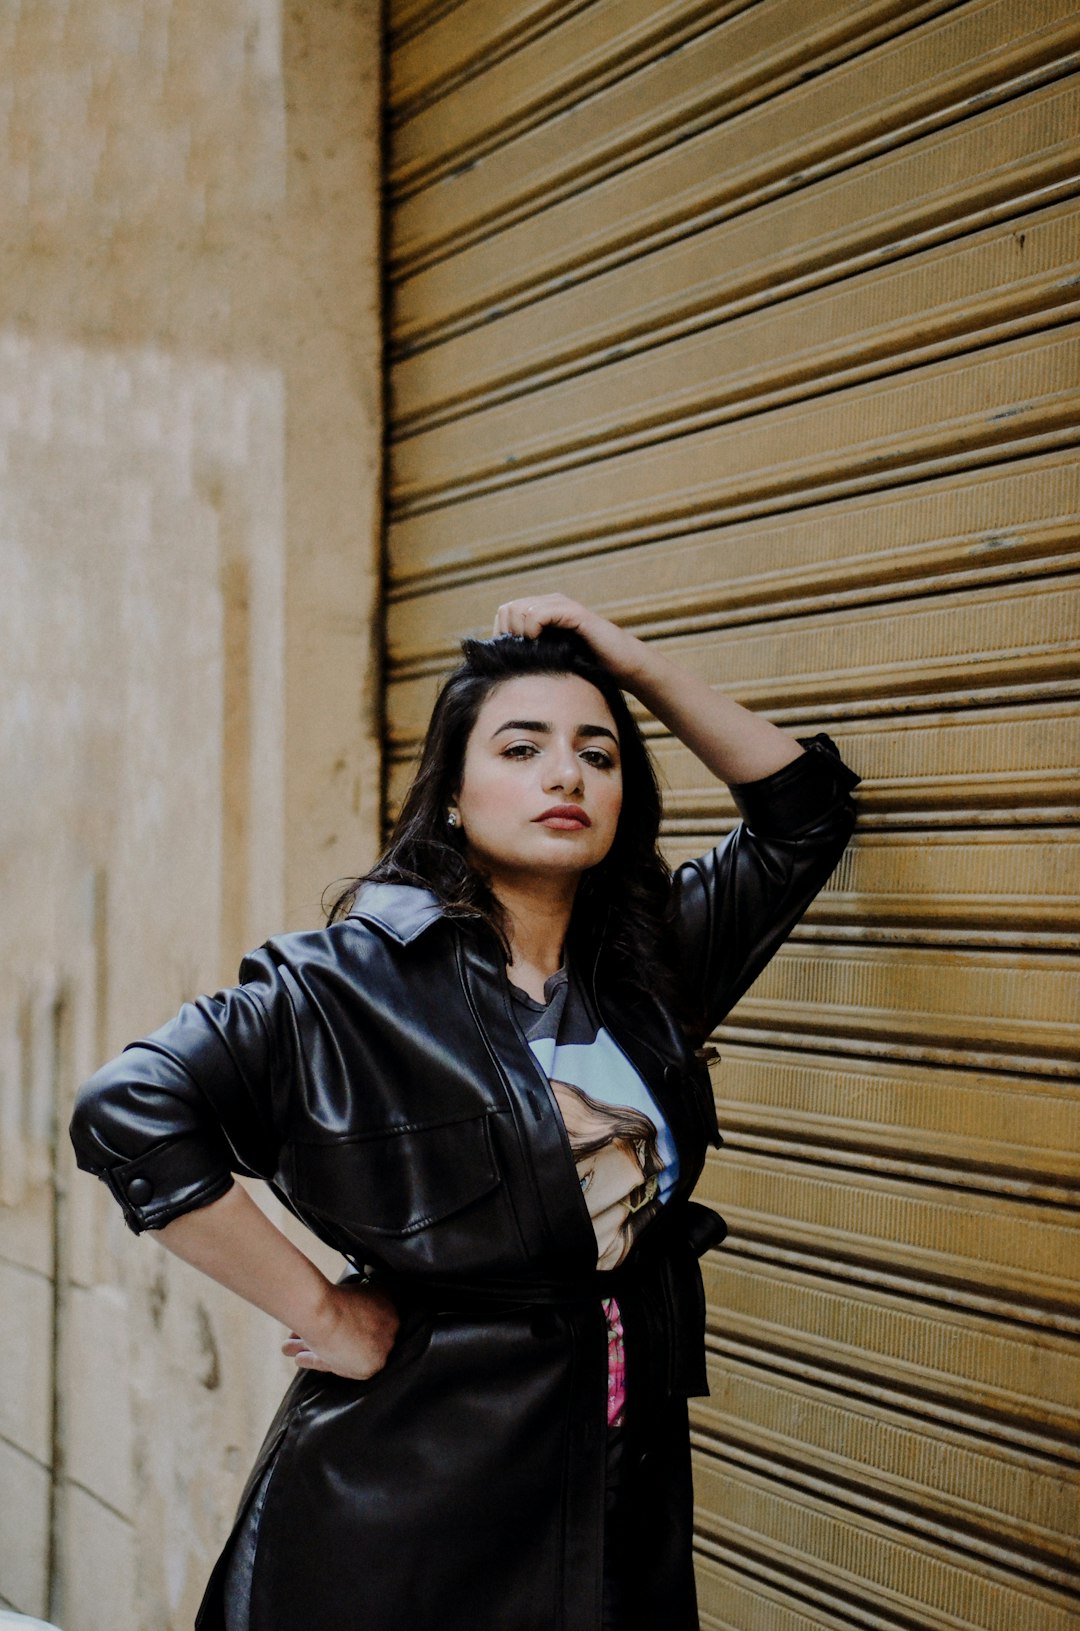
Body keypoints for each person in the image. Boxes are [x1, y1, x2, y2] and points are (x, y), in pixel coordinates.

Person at [69, 593, 860, 1631]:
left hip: (618, 1477)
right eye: (522, 748)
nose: (567, 773)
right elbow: (127, 1106)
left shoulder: (646, 969)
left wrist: (629, 666)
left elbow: (803, 810)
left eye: (599, 753)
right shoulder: (345, 982)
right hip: (413, 1489)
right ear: (451, 792)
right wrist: (320, 1310)